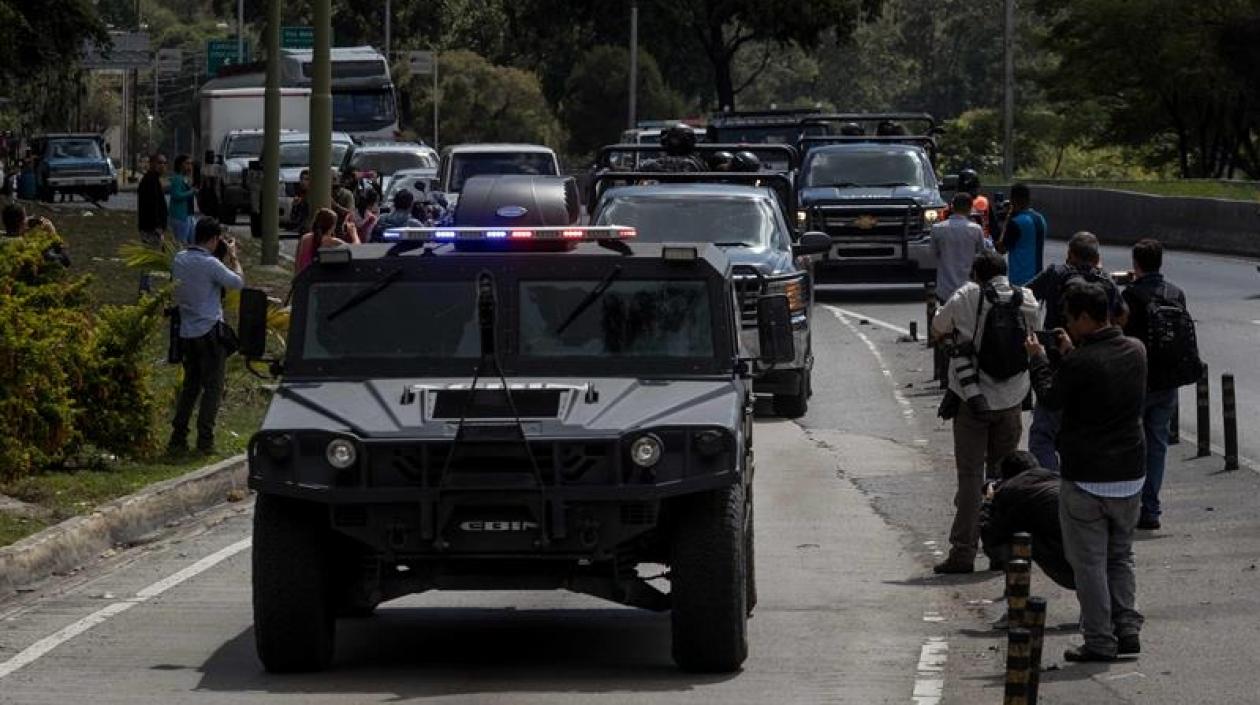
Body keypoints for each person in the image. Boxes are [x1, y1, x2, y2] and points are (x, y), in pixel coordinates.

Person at [1026, 281, 1146, 662]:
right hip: (1130, 473)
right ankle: (1127, 629)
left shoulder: (1080, 363)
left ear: (1082, 317)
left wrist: (1038, 358)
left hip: (1088, 477)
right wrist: (1069, 353)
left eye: (1069, 317)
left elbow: (1050, 397)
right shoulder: (1136, 350)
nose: (1066, 323)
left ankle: (1099, 640)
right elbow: (1099, 380)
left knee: (1089, 563)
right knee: (1120, 555)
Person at [931, 250, 1042, 574]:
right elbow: (1033, 334)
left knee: (970, 478)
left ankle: (963, 553)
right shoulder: (1027, 298)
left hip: (972, 399)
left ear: (976, 274)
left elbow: (939, 326)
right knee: (1003, 477)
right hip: (1012, 398)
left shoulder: (967, 295)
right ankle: (1001, 550)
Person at [1024, 231, 1126, 472]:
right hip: (1097, 366)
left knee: (1043, 434)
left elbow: (1026, 297)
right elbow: (1122, 316)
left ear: (1069, 254)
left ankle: (1051, 488)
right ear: (1097, 257)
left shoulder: (1055, 274)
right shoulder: (1106, 281)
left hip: (1056, 364)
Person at [1117, 239, 1194, 531]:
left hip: (1138, 381)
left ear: (1136, 264)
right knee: (1158, 446)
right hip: (1168, 381)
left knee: (1133, 445)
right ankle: (1152, 509)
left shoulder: (1131, 296)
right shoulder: (1176, 293)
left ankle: (1131, 506)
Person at [169, 217, 244, 456]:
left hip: (187, 333)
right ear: (213, 239)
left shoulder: (179, 259)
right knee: (212, 387)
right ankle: (205, 440)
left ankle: (178, 435)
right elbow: (238, 282)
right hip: (210, 331)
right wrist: (233, 257)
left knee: (190, 386)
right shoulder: (211, 263)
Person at [980, 451, 1075, 590]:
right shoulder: (1057, 478)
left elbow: (992, 538)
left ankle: (1017, 597)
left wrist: (989, 502)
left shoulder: (1011, 489)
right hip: (1094, 545)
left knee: (1019, 538)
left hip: (1068, 563)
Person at [931, 192, 988, 303]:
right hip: (969, 288)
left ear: (952, 207)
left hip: (945, 289)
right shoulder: (976, 229)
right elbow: (983, 254)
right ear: (970, 208)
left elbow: (933, 253)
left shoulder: (937, 229)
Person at [996, 183, 1046, 286]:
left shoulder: (1016, 222)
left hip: (1019, 279)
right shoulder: (1040, 218)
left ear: (1013, 199)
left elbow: (1001, 249)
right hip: (1038, 277)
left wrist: (1007, 218)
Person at [295, 208, 359, 276]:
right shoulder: (331, 241)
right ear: (332, 227)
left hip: (302, 279)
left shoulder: (304, 238)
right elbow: (356, 249)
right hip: (315, 279)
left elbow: (297, 263)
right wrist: (354, 233)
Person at [137, 153, 168, 245]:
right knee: (153, 253)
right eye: (159, 163)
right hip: (151, 228)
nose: (162, 166)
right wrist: (157, 226)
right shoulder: (150, 180)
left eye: (164, 163)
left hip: (154, 228)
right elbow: (151, 206)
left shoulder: (155, 179)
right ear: (151, 164)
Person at [168, 154, 197, 244]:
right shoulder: (177, 178)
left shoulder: (186, 178)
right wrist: (191, 192)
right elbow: (176, 195)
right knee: (181, 242)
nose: (189, 166)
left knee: (192, 241)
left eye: (191, 164)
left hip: (189, 215)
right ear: (180, 165)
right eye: (187, 163)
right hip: (179, 216)